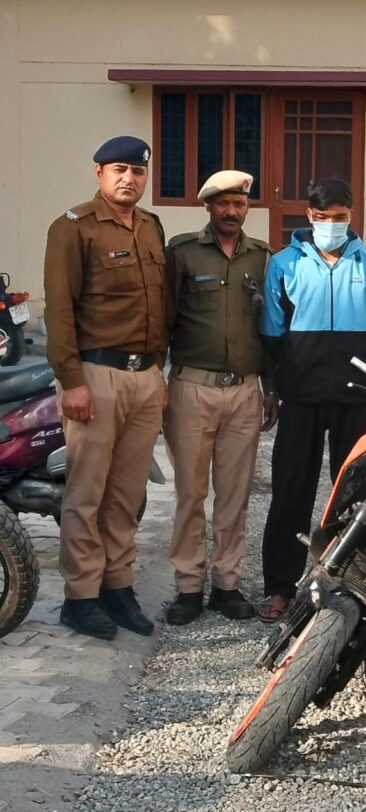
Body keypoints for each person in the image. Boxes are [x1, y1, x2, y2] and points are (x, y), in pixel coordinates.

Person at [256, 178, 366, 621]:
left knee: (358, 496)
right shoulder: (284, 265)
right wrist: (282, 382)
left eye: (339, 217)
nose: (331, 224)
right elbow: (271, 333)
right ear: (309, 216)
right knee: (290, 491)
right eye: (322, 217)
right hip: (300, 398)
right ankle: (280, 587)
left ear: (351, 215)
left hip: (356, 399)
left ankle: (353, 587)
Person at [43, 136, 166, 640]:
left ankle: (118, 586)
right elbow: (59, 310)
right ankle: (81, 597)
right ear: (99, 173)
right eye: (119, 169)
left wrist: (160, 372)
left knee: (127, 494)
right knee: (86, 492)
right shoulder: (73, 228)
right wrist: (72, 380)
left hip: (145, 378)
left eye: (137, 171)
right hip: (95, 376)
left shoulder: (152, 227)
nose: (128, 179)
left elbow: (162, 303)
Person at [163, 170, 277, 625]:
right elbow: (163, 319)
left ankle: (227, 585)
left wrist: (272, 388)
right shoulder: (182, 252)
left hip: (245, 391)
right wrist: (157, 381)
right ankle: (189, 586)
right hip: (192, 388)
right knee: (191, 494)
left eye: (240, 204)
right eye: (224, 203)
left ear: (248, 208)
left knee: (235, 494)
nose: (232, 211)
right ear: (208, 206)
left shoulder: (262, 258)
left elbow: (269, 330)